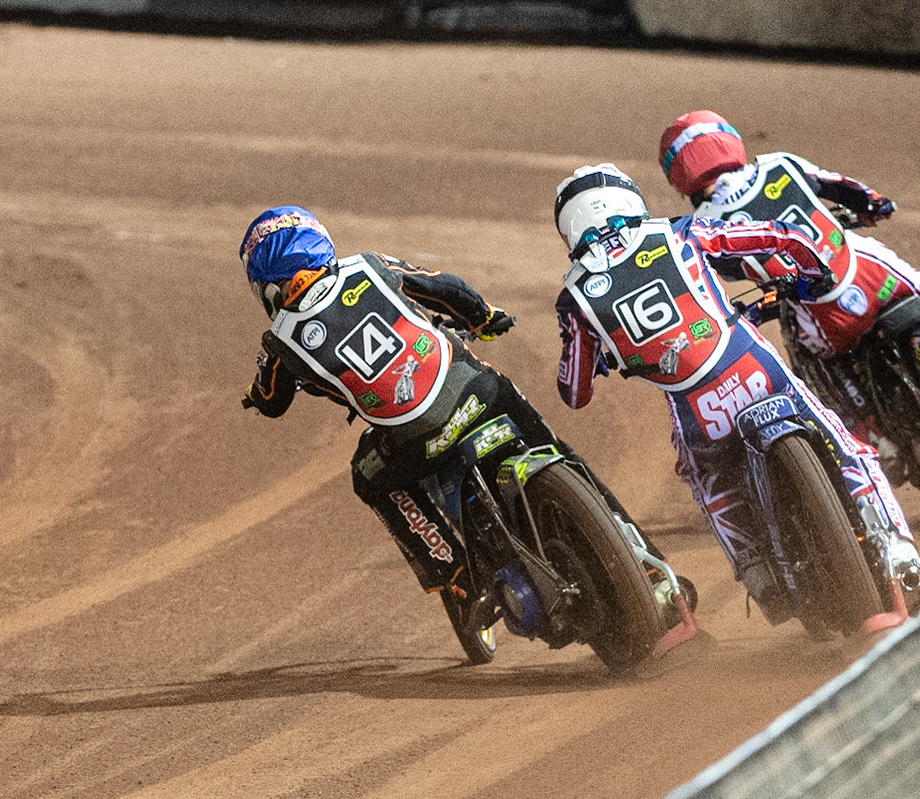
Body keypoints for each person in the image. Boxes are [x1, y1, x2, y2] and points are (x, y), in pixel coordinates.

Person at [238, 205, 684, 624]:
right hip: (481, 393)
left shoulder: (279, 343)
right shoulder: (368, 266)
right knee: (561, 452)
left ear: (269, 285)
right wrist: (483, 319)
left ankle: (457, 575)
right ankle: (645, 562)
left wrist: (255, 395)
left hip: (418, 443)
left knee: (368, 474)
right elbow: (445, 289)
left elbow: (272, 400)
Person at [551, 165, 920, 618]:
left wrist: (605, 357)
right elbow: (778, 238)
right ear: (629, 200)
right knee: (848, 449)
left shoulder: (573, 298)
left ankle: (758, 572)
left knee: (709, 481)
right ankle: (900, 554)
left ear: (570, 228)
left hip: (697, 412)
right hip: (755, 368)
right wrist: (815, 274)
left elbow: (574, 392)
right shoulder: (679, 232)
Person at [657, 110, 920, 477]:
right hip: (873, 271)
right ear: (730, 141)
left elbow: (708, 288)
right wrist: (875, 206)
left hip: (825, 317)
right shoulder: (780, 164)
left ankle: (872, 436)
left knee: (810, 358)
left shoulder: (704, 225)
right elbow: (845, 188)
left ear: (680, 177)